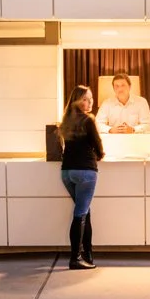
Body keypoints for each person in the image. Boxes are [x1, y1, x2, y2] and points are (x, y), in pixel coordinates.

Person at [58, 84, 105, 270]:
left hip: (67, 172)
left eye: (90, 98)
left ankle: (88, 254)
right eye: (85, 99)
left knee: (84, 211)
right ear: (77, 101)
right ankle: (75, 258)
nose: (89, 102)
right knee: (80, 214)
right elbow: (97, 144)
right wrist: (100, 155)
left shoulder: (66, 121)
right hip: (85, 172)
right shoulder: (88, 120)